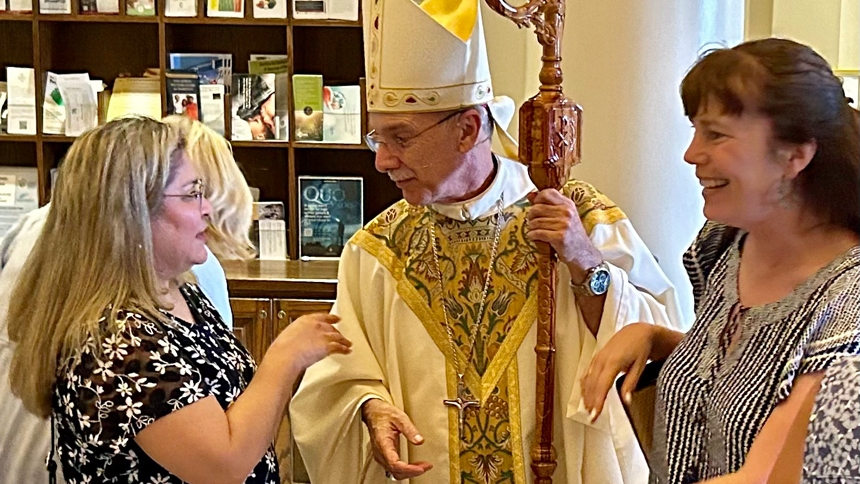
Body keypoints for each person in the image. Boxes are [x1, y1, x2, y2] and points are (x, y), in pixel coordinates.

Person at [289, 2, 682, 483]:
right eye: (377, 138)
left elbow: (665, 349)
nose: (383, 160)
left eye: (400, 137)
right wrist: (370, 408)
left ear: (469, 129)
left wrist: (584, 262)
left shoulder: (578, 217)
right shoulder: (377, 251)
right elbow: (336, 381)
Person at [6, 116, 352, 484]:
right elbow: (223, 465)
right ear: (133, 210)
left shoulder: (177, 290)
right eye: (191, 194)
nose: (207, 209)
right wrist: (285, 357)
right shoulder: (118, 343)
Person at [581, 38, 860, 484]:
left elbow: (769, 474)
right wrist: (655, 338)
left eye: (716, 133)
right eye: (695, 130)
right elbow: (739, 379)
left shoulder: (846, 303)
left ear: (795, 155)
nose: (692, 153)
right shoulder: (724, 244)